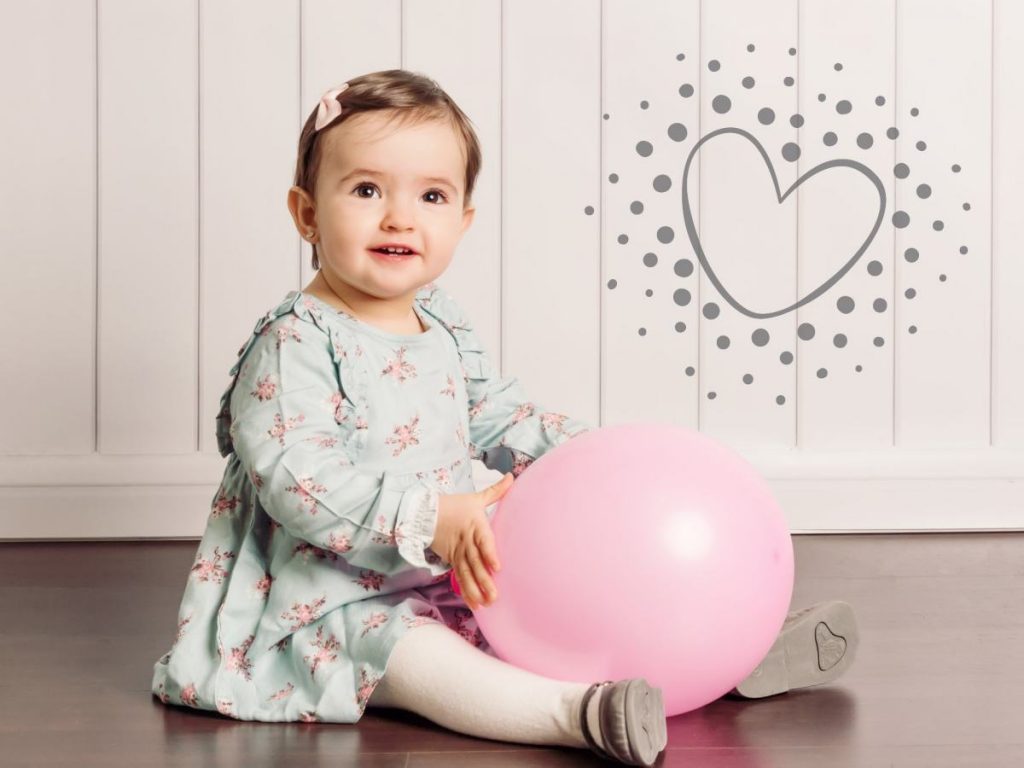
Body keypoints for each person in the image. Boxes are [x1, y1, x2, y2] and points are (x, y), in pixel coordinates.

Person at [151, 69, 858, 767]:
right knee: (418, 657)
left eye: (430, 195)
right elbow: (298, 482)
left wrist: (591, 455)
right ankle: (578, 715)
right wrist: (430, 520)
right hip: (331, 598)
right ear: (307, 214)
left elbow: (496, 417)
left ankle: (736, 654)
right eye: (366, 190)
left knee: (579, 595)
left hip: (457, 565)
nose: (399, 217)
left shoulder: (443, 327)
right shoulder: (295, 343)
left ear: (461, 221)